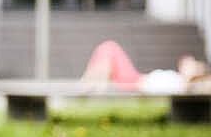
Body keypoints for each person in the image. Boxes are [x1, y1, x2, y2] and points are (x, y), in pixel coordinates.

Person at [80, 40, 211, 94]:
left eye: (195, 65)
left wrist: (197, 75)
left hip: (135, 82)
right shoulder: (180, 79)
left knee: (109, 47)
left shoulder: (184, 84)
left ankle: (91, 83)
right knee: (108, 48)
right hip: (139, 79)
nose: (191, 63)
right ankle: (92, 82)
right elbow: (185, 59)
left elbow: (203, 83)